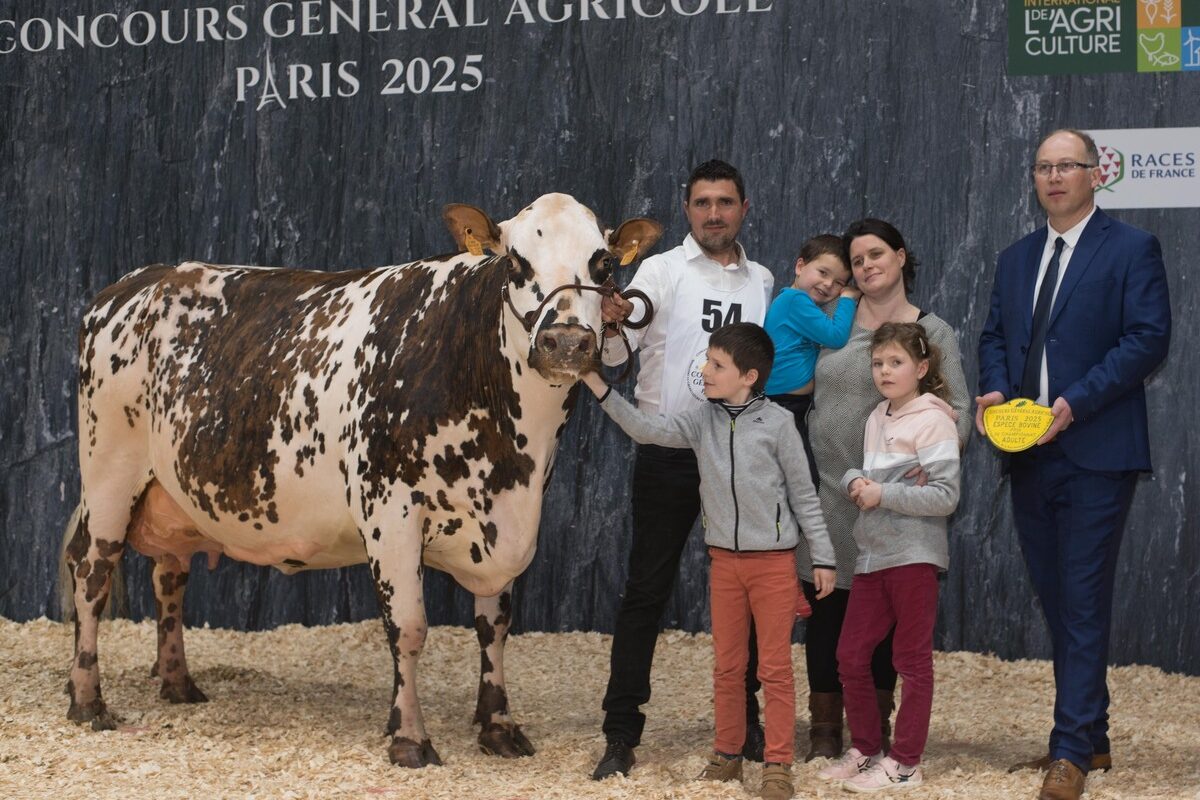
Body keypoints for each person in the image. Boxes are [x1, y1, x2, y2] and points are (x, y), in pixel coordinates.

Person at [976, 128, 1171, 800]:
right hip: (1027, 452)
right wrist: (998, 392)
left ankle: (1069, 754)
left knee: (1082, 598)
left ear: (1097, 174)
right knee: (1059, 597)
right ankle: (1094, 733)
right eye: (1043, 166)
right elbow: (995, 336)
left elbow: (1148, 337)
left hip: (1096, 449)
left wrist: (1075, 402)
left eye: (1068, 166)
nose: (1054, 176)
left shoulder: (1131, 249)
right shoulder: (1016, 257)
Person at [582, 323, 837, 800]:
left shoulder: (780, 424)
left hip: (774, 566)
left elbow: (805, 496)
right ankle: (726, 755)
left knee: (775, 670)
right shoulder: (702, 420)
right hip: (724, 564)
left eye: (717, 365)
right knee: (727, 667)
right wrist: (597, 384)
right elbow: (646, 428)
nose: (705, 371)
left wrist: (821, 557)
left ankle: (778, 764)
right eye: (707, 361)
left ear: (749, 376)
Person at [591, 159, 775, 780]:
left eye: (725, 202)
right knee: (646, 590)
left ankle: (746, 724)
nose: (714, 213)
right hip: (669, 452)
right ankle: (620, 733)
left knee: (749, 586)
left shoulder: (765, 281)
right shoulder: (661, 270)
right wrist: (614, 323)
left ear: (744, 208)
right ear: (688, 209)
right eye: (702, 203)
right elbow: (621, 345)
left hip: (737, 453)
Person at [796, 219, 972, 762]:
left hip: (895, 501)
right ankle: (825, 728)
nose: (868, 265)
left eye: (877, 254)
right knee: (827, 611)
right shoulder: (831, 323)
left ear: (900, 257)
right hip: (829, 488)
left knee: (883, 619)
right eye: (857, 260)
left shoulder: (931, 331)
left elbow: (959, 409)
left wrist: (930, 460)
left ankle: (875, 728)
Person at [816, 322, 960, 792]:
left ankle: (906, 762)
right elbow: (873, 478)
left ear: (921, 368)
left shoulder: (934, 419)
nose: (884, 370)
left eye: (895, 362)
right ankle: (867, 750)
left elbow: (944, 496)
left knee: (911, 661)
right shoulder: (877, 414)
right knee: (851, 655)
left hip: (914, 555)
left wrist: (884, 494)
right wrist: (855, 480)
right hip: (872, 555)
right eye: (878, 363)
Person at [763, 234, 860, 490]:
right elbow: (836, 336)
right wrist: (848, 298)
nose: (828, 284)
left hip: (790, 405)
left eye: (839, 282)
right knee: (803, 482)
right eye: (823, 272)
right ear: (799, 266)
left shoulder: (796, 302)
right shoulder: (795, 301)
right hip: (783, 405)